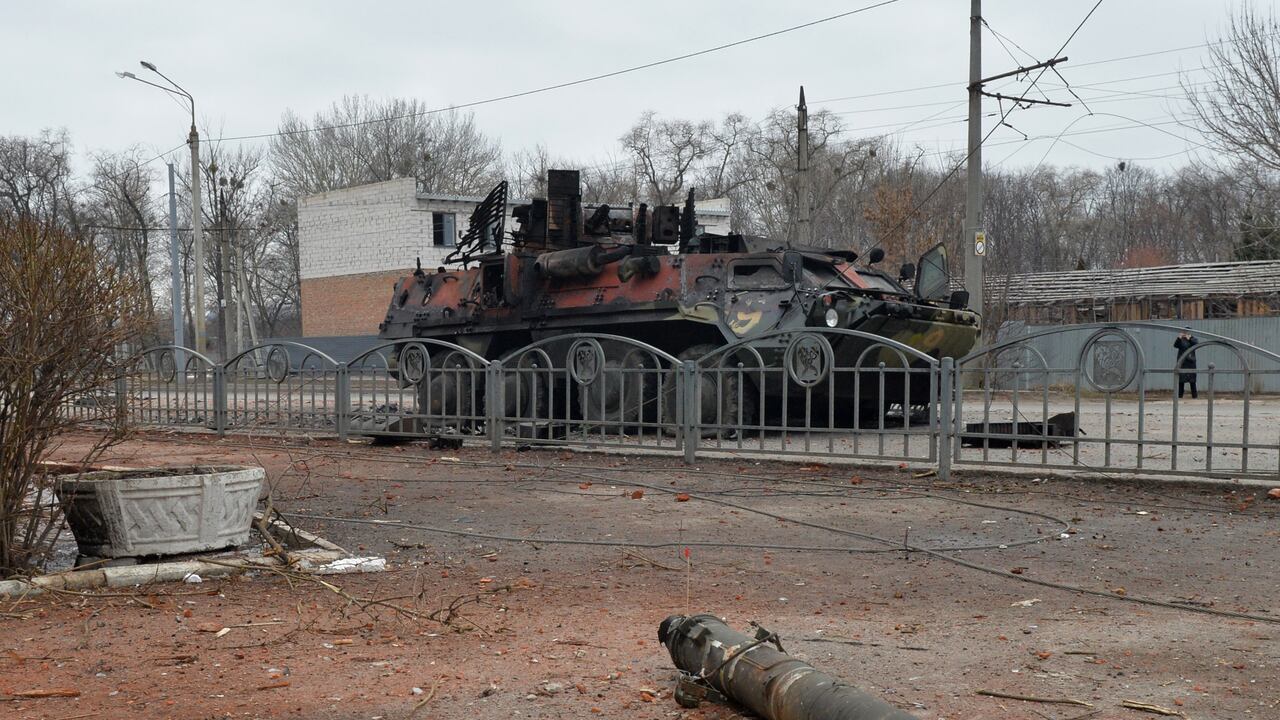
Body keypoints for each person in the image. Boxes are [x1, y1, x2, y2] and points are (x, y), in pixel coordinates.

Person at [1174, 328, 1199, 399]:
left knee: (1192, 381)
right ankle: (1179, 397)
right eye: (1184, 332)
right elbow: (1175, 345)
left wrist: (1190, 338)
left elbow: (1196, 344)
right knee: (1181, 381)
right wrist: (1179, 337)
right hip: (1182, 363)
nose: (1185, 333)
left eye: (1187, 332)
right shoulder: (1181, 340)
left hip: (1191, 363)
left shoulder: (1193, 339)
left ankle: (1195, 396)